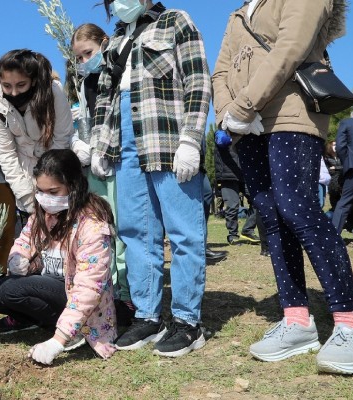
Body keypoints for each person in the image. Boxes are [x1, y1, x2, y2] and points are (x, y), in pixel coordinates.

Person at [213, 0, 353, 374]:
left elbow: (290, 46)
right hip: (245, 125)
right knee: (270, 214)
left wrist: (244, 106)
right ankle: (296, 318)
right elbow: (220, 71)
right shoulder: (239, 13)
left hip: (289, 113)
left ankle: (350, 322)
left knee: (298, 208)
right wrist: (226, 115)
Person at [92, 0, 211, 357]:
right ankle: (148, 316)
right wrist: (99, 143)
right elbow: (104, 96)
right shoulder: (113, 40)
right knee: (135, 231)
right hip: (124, 145)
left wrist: (191, 138)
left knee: (184, 232)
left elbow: (198, 81)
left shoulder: (176, 21)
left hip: (168, 139)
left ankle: (188, 321)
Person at [0, 149, 116, 365]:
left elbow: (89, 287)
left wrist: (58, 341)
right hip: (52, 287)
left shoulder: (92, 225)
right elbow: (25, 240)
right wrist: (17, 257)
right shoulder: (43, 214)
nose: (46, 199)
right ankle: (38, 320)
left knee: (10, 290)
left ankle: (71, 330)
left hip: (76, 295)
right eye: (41, 191)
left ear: (73, 185)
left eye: (53, 192)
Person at [70, 23, 133, 326]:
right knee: (100, 227)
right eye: (79, 58)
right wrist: (82, 145)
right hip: (93, 166)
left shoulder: (117, 73)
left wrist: (107, 150)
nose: (85, 62)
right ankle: (105, 289)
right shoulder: (84, 84)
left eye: (88, 54)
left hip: (118, 160)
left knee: (122, 228)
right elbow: (86, 118)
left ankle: (126, 293)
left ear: (104, 43)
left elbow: (119, 118)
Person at [0, 49, 86, 216]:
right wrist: (27, 196)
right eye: (7, 86)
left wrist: (48, 187)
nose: (14, 93)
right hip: (23, 175)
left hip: (57, 175)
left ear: (33, 80)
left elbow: (61, 140)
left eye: (21, 85)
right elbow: (6, 152)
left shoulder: (53, 93)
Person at [213, 133, 260, 245]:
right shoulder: (221, 132)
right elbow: (222, 140)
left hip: (244, 174)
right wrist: (239, 137)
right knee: (232, 206)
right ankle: (233, 235)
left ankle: (248, 230)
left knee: (258, 201)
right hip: (227, 176)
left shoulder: (246, 132)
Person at [332, 109, 353, 241]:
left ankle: (334, 238)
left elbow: (341, 146)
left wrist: (347, 163)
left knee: (344, 202)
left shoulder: (347, 123)